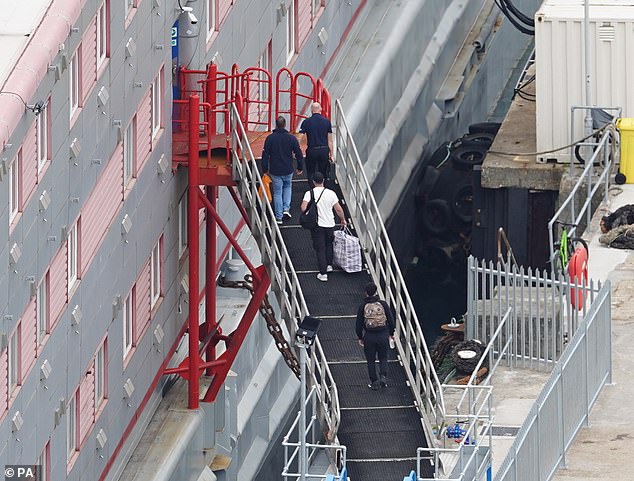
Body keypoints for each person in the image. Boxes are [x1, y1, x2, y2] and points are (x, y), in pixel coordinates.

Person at [300, 171, 346, 281]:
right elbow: (338, 209)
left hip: (317, 225)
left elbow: (303, 207)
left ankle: (323, 273)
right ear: (323, 181)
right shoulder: (331, 193)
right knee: (329, 244)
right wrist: (343, 219)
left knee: (320, 248)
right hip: (330, 223)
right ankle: (329, 265)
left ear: (313, 181)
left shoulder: (309, 193)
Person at [262, 116, 304, 225]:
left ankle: (279, 216)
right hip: (288, 169)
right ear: (285, 125)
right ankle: (286, 209)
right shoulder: (291, 138)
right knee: (287, 187)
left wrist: (264, 169)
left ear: (276, 125)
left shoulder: (270, 139)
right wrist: (300, 167)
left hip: (275, 170)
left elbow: (265, 155)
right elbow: (298, 153)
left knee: (277, 192)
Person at [355, 282, 395, 390]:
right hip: (383, 335)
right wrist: (391, 333)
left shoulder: (363, 306)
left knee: (370, 360)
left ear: (365, 293)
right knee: (383, 357)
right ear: (376, 292)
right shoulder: (383, 304)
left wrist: (360, 337)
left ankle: (374, 382)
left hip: (369, 336)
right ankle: (383, 377)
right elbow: (391, 320)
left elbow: (358, 324)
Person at [299, 102, 333, 183]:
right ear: (320, 109)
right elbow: (330, 140)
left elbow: (300, 138)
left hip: (312, 150)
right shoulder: (327, 122)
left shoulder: (306, 122)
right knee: (324, 172)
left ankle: (312, 190)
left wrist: (298, 150)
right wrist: (331, 154)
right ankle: (323, 190)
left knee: (311, 172)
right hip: (324, 150)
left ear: (311, 110)